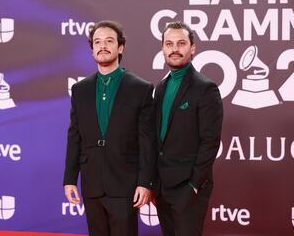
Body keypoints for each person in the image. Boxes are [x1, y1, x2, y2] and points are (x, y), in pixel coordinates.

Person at [63, 20, 156, 236]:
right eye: (97, 42)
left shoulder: (140, 88)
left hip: (125, 182)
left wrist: (145, 182)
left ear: (120, 47)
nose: (102, 46)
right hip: (92, 181)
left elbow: (147, 140)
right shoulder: (80, 89)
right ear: (92, 48)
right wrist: (69, 179)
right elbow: (74, 135)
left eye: (109, 41)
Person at [153, 21, 223, 236]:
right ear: (163, 49)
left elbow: (210, 141)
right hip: (162, 186)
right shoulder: (161, 87)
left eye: (181, 43)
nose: (174, 49)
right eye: (169, 44)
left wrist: (193, 184)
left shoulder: (205, 88)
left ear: (192, 48)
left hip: (188, 187)